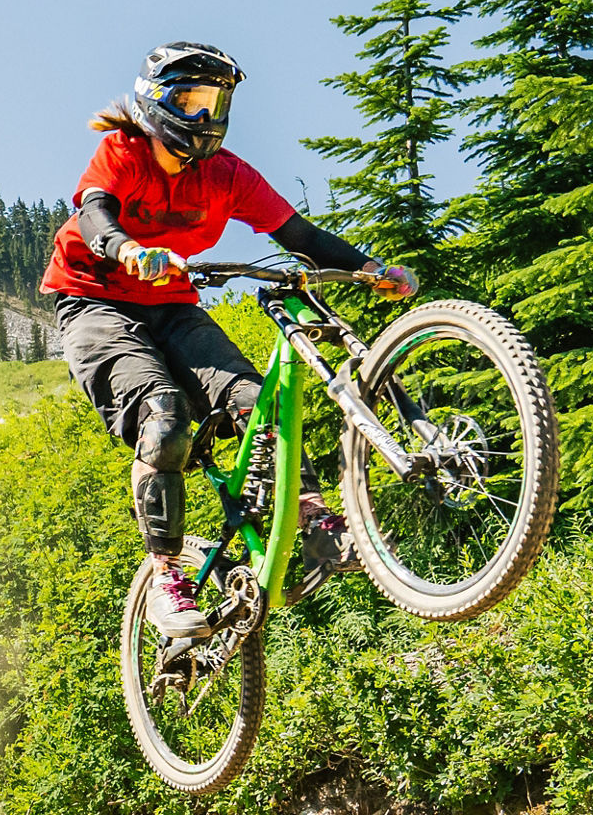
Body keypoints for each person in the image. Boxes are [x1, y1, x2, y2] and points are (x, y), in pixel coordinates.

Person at [40, 42, 418, 638]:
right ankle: (167, 574)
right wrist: (129, 250)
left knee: (255, 401)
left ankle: (315, 518)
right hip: (93, 302)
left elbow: (300, 234)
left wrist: (371, 269)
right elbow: (94, 213)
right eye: (190, 99)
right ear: (155, 101)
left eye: (216, 101)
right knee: (162, 417)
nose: (205, 115)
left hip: (171, 304)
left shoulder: (226, 175)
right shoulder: (124, 151)